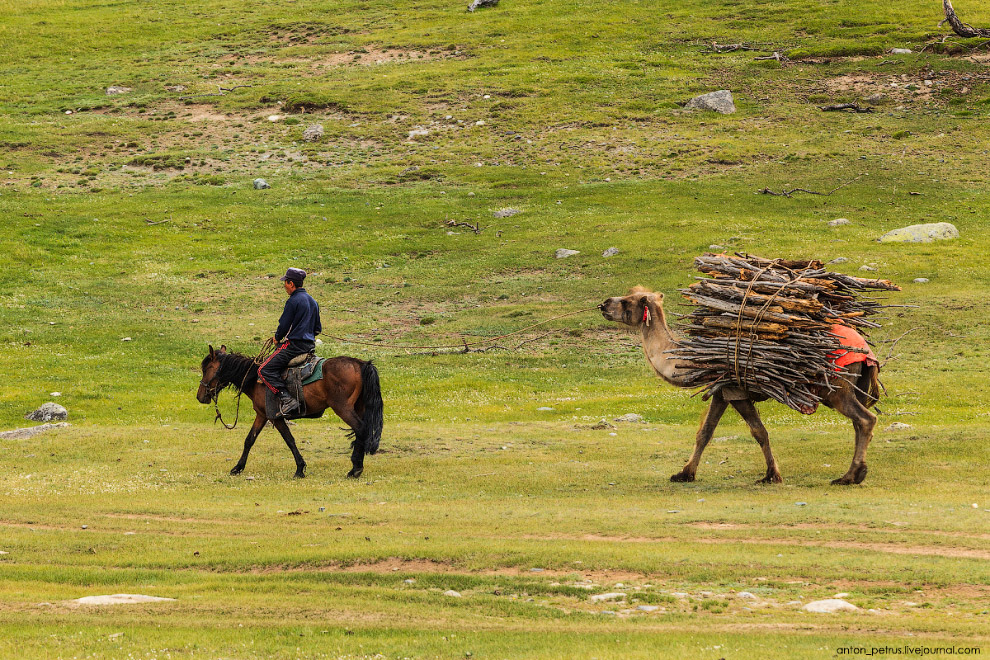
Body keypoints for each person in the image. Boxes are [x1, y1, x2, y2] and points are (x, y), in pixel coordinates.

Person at [258, 267, 322, 417]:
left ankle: (287, 399)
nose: (284, 286)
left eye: (285, 283)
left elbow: (284, 325)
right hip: (309, 346)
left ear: (291, 283)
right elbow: (317, 329)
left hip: (293, 346)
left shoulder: (293, 301)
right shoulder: (313, 301)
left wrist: (277, 337)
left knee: (263, 370)